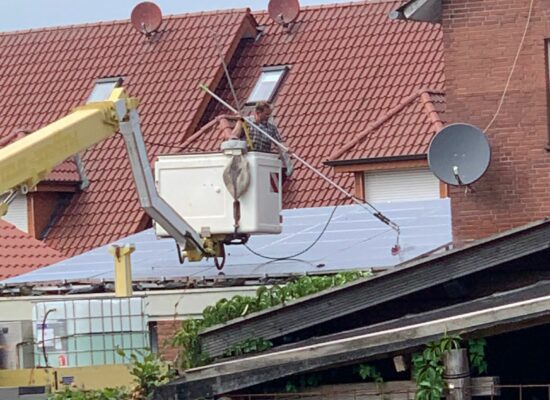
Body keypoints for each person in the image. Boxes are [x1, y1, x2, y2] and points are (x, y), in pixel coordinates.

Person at [230, 101, 293, 177]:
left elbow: (279, 144)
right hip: (248, 161)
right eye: (266, 114)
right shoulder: (245, 121)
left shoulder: (271, 128)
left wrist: (285, 149)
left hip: (263, 162)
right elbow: (234, 136)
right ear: (258, 112)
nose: (268, 117)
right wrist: (239, 122)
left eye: (269, 114)